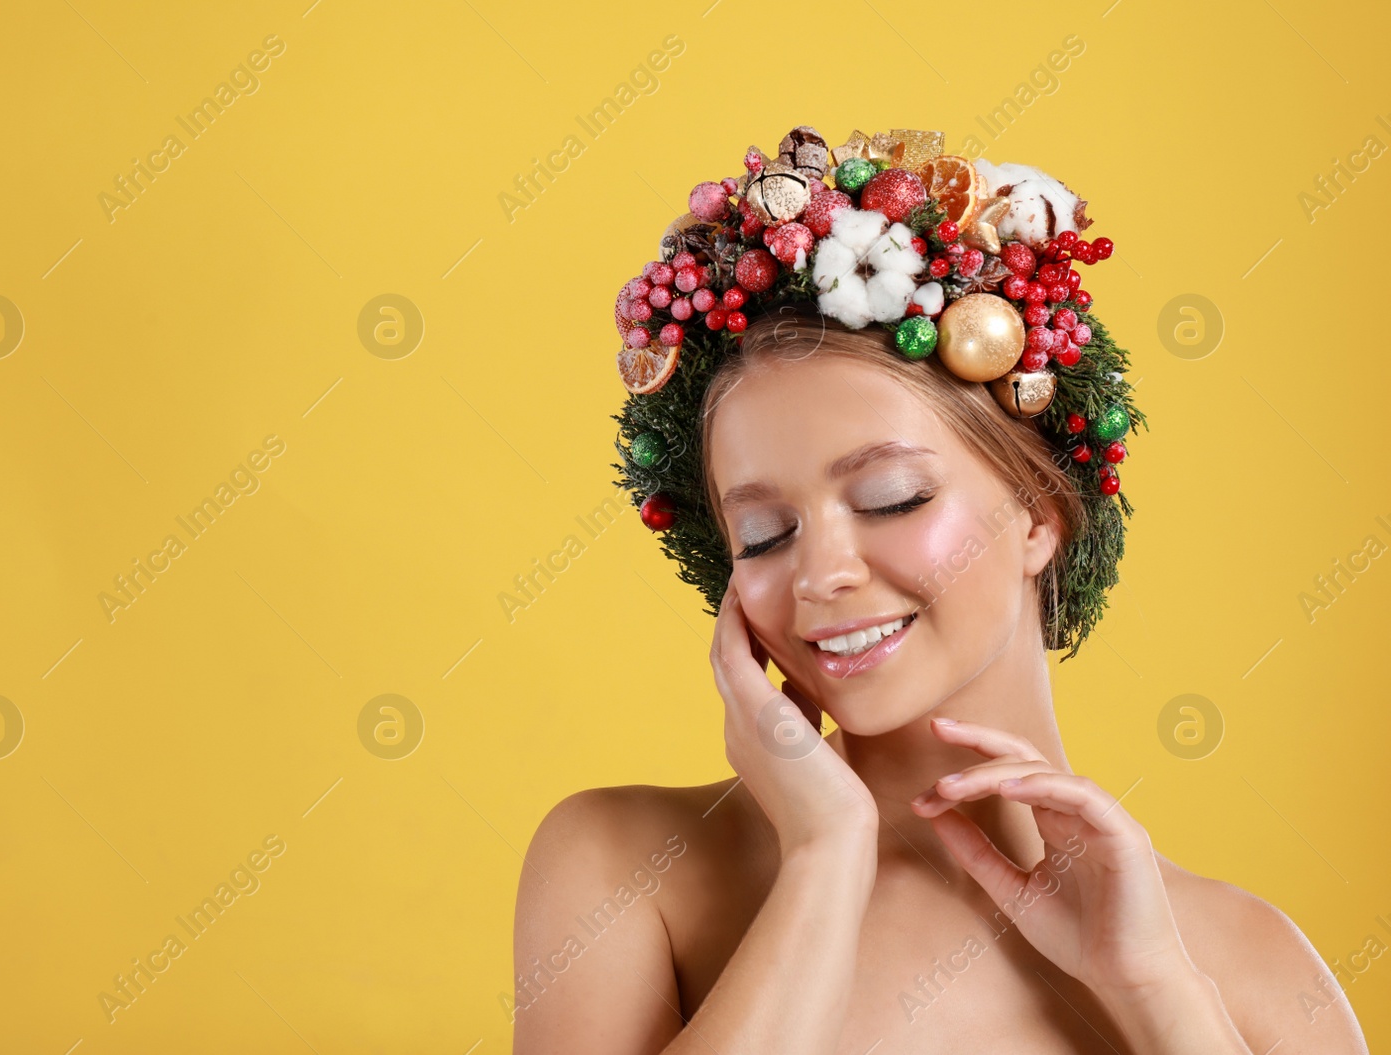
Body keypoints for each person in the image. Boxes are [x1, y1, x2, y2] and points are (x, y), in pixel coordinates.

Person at [509, 126, 1371, 1054]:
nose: (821, 571)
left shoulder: (1252, 965)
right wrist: (824, 860)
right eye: (764, 533)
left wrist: (1157, 989)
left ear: (1041, 510)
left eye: (892, 498)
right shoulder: (625, 868)